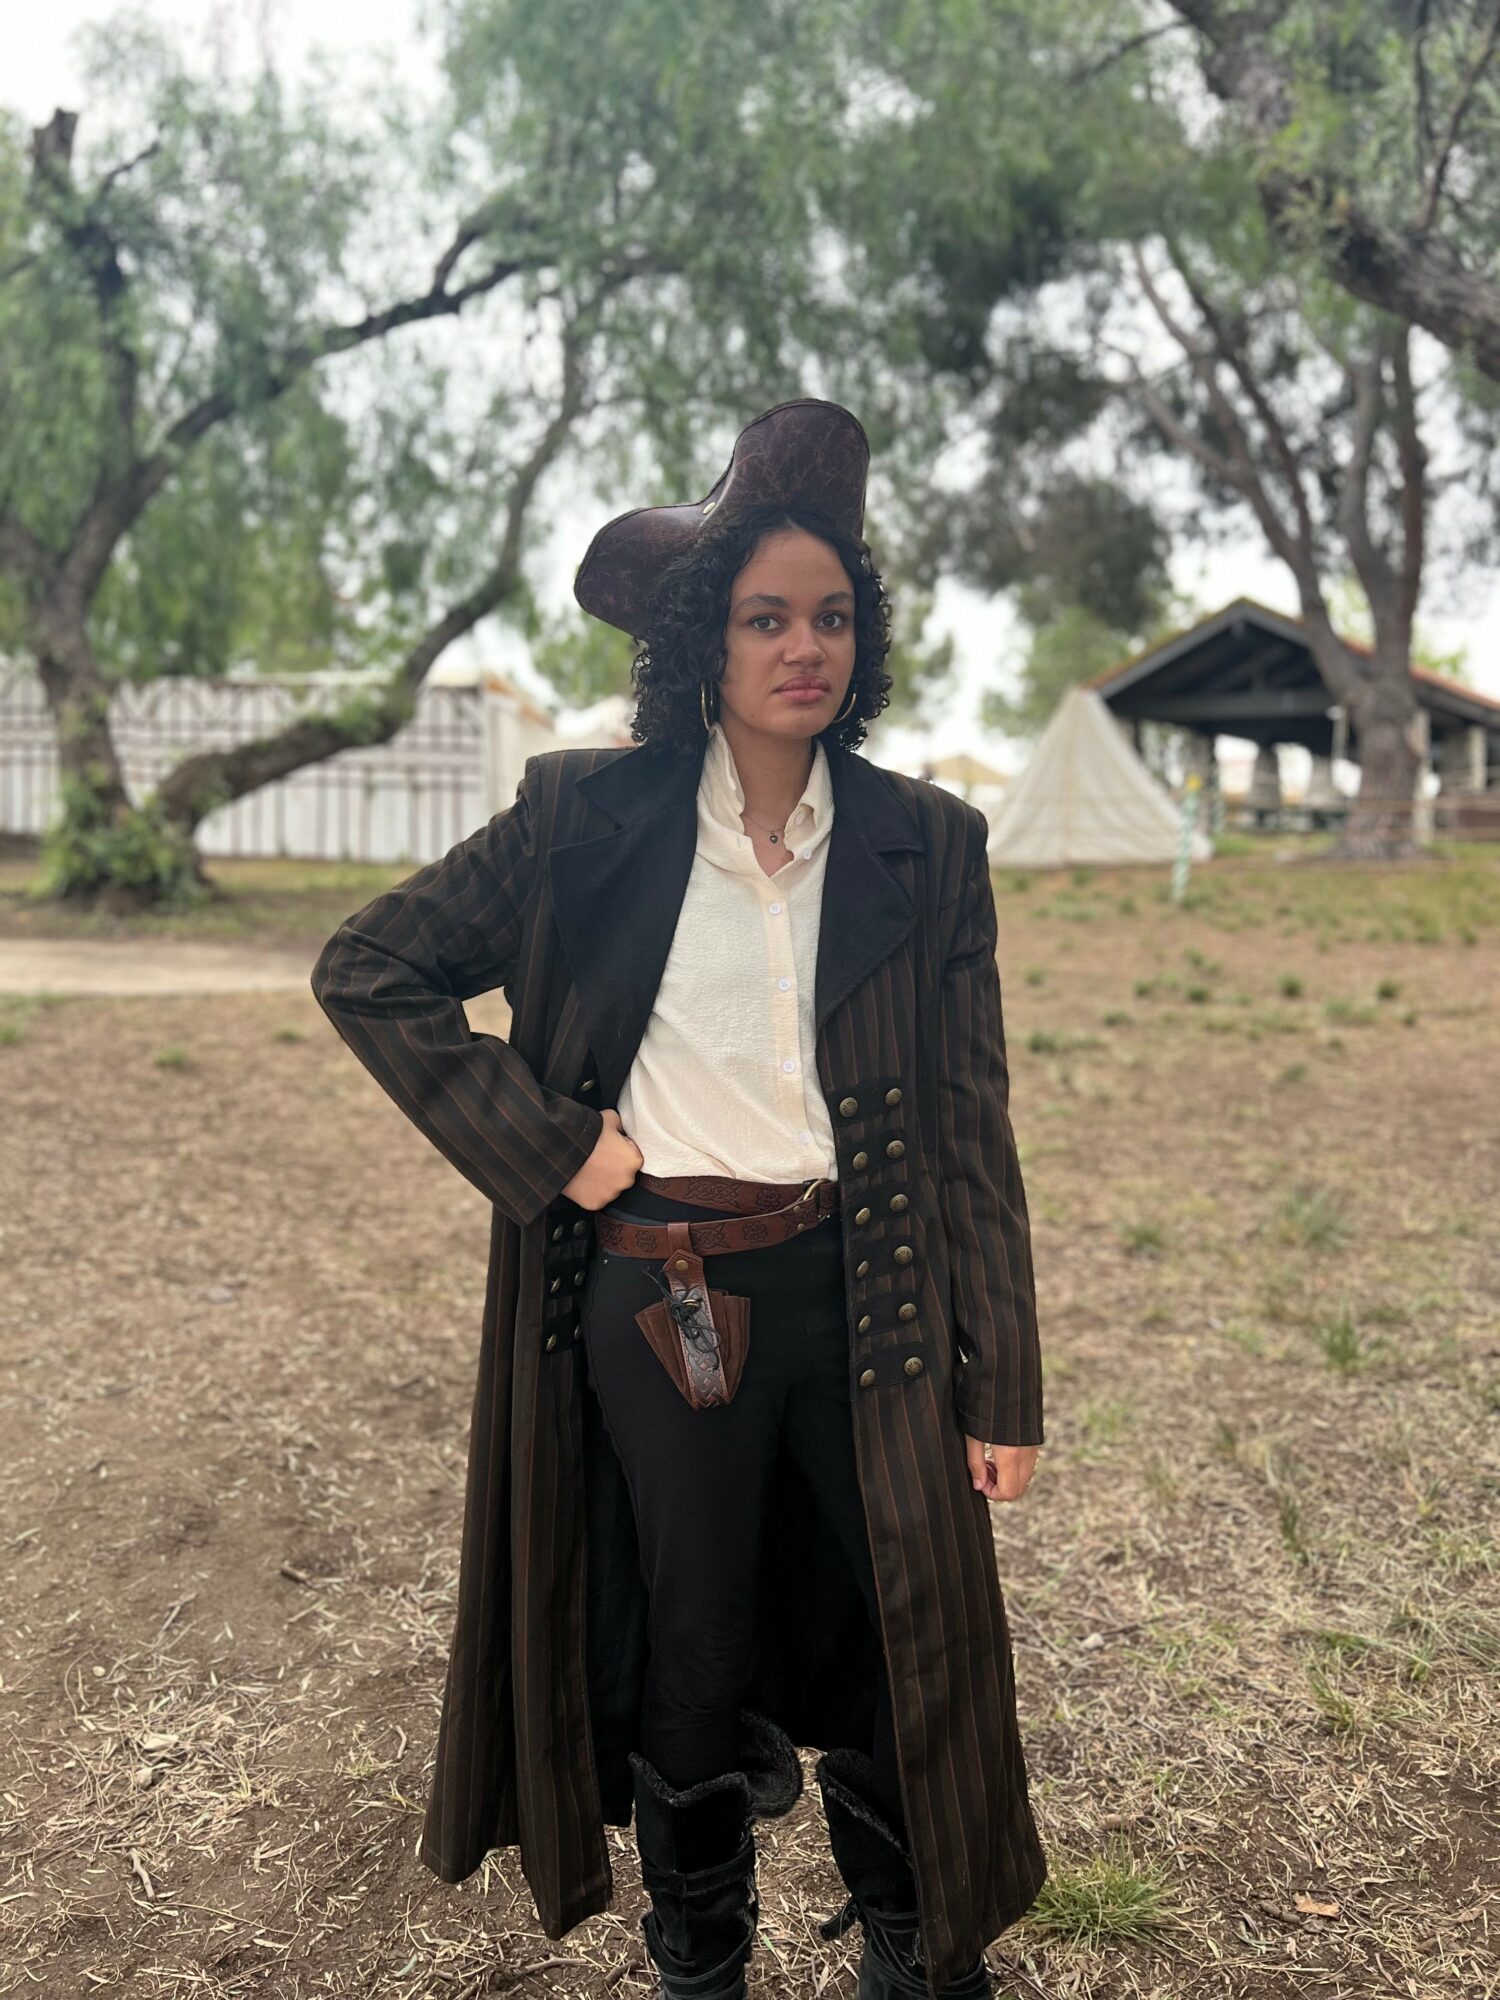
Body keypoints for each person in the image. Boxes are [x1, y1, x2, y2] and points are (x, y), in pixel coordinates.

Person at [310, 400, 1046, 2000]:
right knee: (690, 1647)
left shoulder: (933, 845)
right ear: (700, 641)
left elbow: (973, 1133)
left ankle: (915, 1946)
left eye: (833, 616)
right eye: (766, 616)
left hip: (869, 1292)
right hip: (662, 1304)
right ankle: (700, 1959)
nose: (806, 648)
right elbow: (368, 968)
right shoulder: (588, 817)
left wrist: (1005, 1380)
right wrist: (549, 1146)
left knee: (887, 1627)